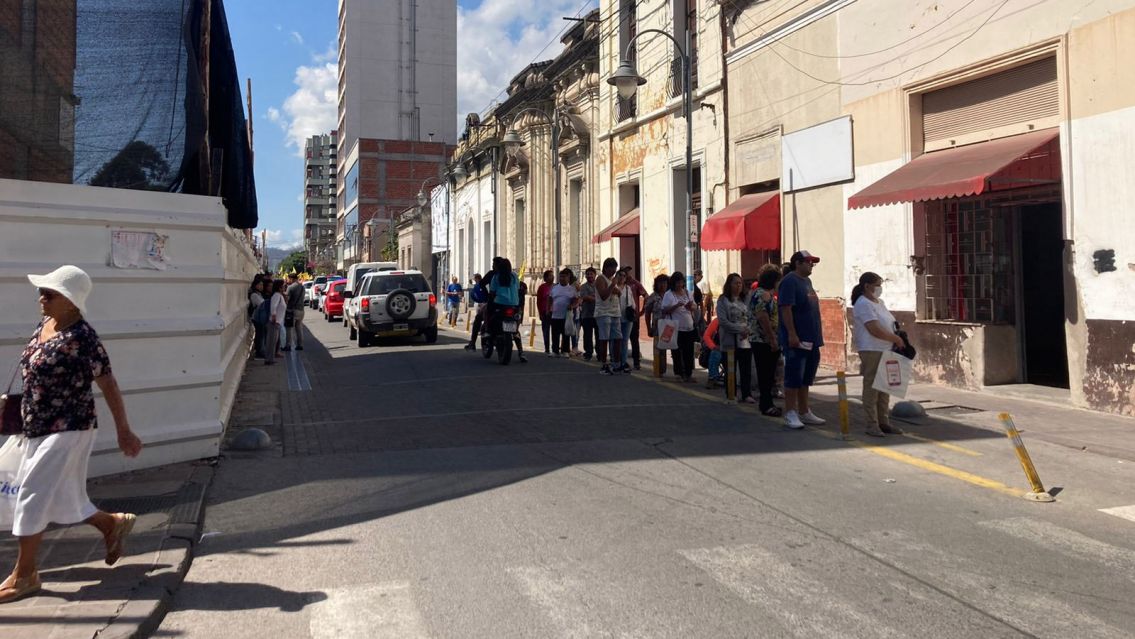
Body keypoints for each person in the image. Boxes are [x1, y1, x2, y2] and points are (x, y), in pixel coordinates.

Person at [1, 266, 143, 604]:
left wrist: (124, 430)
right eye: (43, 292)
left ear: (71, 301)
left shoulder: (83, 338)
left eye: (49, 294)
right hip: (34, 427)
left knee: (31, 494)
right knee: (64, 500)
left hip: (69, 428)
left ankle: (25, 574)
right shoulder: (46, 327)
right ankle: (111, 524)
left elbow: (108, 383)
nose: (42, 298)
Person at [852, 272, 907, 437]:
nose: (879, 288)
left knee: (885, 388)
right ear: (867, 286)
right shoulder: (863, 304)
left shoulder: (879, 302)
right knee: (872, 388)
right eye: (877, 284)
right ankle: (872, 424)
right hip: (872, 349)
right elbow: (874, 329)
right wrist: (895, 339)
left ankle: (884, 422)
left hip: (886, 349)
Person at [778, 251, 826, 429]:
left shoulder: (807, 282)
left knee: (806, 377)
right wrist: (791, 333)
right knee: (794, 376)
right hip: (797, 339)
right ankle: (790, 412)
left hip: (812, 338)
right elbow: (786, 309)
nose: (811, 265)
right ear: (797, 263)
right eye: (808, 262)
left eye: (813, 262)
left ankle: (804, 411)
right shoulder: (790, 281)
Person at [749, 265, 783, 416]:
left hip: (763, 339)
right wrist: (772, 339)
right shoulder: (764, 295)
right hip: (763, 341)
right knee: (766, 374)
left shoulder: (762, 293)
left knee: (768, 374)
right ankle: (766, 404)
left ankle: (768, 403)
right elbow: (763, 318)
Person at [717, 273, 754, 403]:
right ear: (729, 285)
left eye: (740, 283)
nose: (738, 286)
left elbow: (751, 317)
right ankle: (731, 393)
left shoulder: (746, 299)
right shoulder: (723, 300)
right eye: (735, 283)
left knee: (746, 368)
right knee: (730, 369)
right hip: (729, 340)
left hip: (745, 340)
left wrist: (748, 329)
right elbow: (723, 321)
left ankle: (746, 393)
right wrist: (740, 329)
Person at [661, 272, 698, 383]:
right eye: (677, 282)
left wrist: (690, 306)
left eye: (681, 282)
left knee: (689, 351)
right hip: (676, 327)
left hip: (688, 326)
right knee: (677, 351)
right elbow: (664, 310)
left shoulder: (687, 292)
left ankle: (688, 373)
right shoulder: (669, 294)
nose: (679, 285)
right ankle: (678, 373)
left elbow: (694, 307)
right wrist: (676, 306)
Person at [594, 257, 624, 376]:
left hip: (615, 312)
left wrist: (616, 286)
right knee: (604, 339)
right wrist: (613, 285)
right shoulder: (601, 279)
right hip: (603, 312)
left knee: (617, 338)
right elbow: (603, 295)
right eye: (612, 268)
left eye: (615, 268)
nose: (614, 270)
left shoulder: (612, 279)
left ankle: (616, 363)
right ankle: (604, 364)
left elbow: (619, 293)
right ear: (606, 268)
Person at [643, 274, 676, 376]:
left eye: (664, 283)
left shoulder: (671, 295)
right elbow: (647, 313)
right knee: (659, 349)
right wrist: (648, 328)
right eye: (660, 283)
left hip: (670, 325)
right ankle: (659, 370)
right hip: (657, 326)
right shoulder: (653, 297)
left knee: (671, 347)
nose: (662, 286)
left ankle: (674, 370)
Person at [548, 269, 579, 357]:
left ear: (568, 278)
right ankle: (555, 351)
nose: (562, 278)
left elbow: (576, 300)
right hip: (555, 315)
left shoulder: (572, 289)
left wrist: (572, 306)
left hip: (566, 315)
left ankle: (565, 351)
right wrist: (548, 309)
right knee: (555, 334)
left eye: (564, 277)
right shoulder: (554, 288)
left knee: (566, 334)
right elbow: (550, 298)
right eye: (561, 276)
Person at [621, 268, 648, 370]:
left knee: (634, 339)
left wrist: (642, 311)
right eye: (623, 273)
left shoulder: (635, 283)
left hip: (632, 315)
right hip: (619, 315)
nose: (625, 275)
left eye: (627, 273)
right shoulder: (618, 284)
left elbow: (646, 296)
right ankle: (620, 359)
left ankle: (636, 362)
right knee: (621, 339)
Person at [578, 268, 598, 360]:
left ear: (595, 275)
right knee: (587, 335)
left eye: (591, 274)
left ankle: (600, 353)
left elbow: (600, 296)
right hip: (586, 314)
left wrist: (590, 297)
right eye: (588, 274)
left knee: (599, 335)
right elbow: (584, 297)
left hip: (598, 314)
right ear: (585, 276)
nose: (589, 276)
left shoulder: (599, 285)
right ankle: (588, 353)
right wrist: (593, 297)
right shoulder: (583, 287)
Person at [464, 273, 488, 351]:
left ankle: (472, 343)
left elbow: (476, 295)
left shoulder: (481, 284)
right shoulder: (512, 279)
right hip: (507, 304)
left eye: (475, 278)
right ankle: (520, 351)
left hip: (485, 303)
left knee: (477, 320)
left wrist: (479, 301)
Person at [265, 279, 286, 365]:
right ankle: (269, 359)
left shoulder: (280, 295)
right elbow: (273, 306)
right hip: (274, 321)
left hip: (277, 322)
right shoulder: (276, 295)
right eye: (283, 286)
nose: (284, 287)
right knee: (271, 341)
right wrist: (274, 316)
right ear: (279, 287)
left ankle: (271, 358)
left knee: (274, 341)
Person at [284, 273, 306, 351]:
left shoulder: (290, 287)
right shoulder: (302, 287)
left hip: (292, 310)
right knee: (299, 328)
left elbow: (287, 299)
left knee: (289, 328)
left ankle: (288, 345)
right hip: (301, 310)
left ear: (291, 279)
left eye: (288, 279)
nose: (287, 280)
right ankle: (300, 345)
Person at [535, 270, 554, 356]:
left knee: (555, 330)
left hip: (554, 312)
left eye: (552, 275)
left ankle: (555, 347)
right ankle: (547, 347)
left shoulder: (556, 286)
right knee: (546, 330)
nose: (552, 277)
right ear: (545, 278)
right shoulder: (542, 287)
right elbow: (538, 301)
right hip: (545, 312)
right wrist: (540, 313)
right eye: (550, 276)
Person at [248, 278, 267, 359]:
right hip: (257, 317)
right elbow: (261, 303)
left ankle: (260, 350)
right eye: (260, 284)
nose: (262, 286)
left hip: (260, 317)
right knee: (260, 335)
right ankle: (259, 352)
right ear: (256, 285)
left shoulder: (258, 294)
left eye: (262, 285)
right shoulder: (254, 295)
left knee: (261, 334)